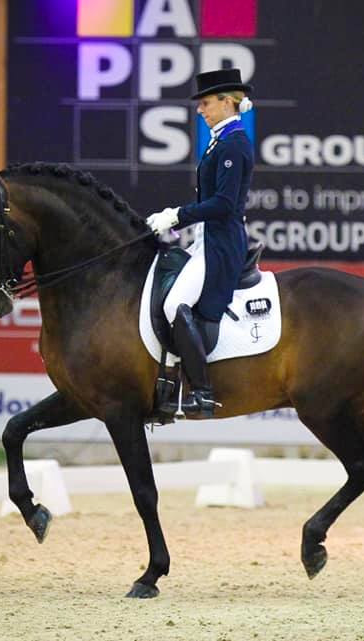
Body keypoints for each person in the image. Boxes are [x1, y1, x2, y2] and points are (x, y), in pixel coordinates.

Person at [145, 68, 255, 418]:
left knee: (175, 304)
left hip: (222, 245)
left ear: (227, 102)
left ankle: (203, 393)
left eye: (205, 103)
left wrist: (177, 215)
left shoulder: (234, 144)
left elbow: (223, 204)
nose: (200, 110)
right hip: (208, 240)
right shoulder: (221, 140)